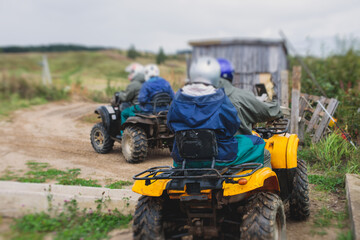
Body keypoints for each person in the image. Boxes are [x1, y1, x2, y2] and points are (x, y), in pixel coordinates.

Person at [167, 57, 266, 168]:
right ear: (215, 75)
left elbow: (170, 126)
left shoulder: (177, 99)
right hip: (220, 156)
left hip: (183, 158)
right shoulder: (220, 98)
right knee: (258, 142)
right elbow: (233, 126)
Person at [216, 58, 283, 135]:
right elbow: (267, 111)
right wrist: (276, 107)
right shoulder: (240, 96)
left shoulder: (201, 98)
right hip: (237, 145)